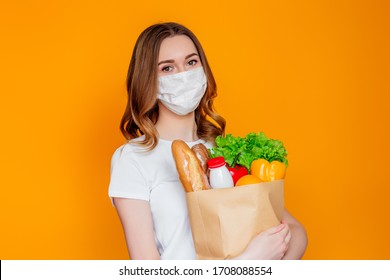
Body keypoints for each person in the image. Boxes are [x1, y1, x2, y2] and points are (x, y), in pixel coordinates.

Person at [108, 22, 307, 260]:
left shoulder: (224, 150)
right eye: (167, 68)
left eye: (191, 62)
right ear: (147, 79)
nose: (183, 74)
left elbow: (295, 230)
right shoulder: (132, 159)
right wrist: (248, 263)